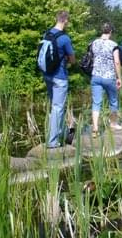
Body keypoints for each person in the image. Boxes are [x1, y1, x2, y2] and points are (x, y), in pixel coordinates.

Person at [43, 10, 75, 148]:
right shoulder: (65, 38)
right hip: (60, 77)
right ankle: (52, 142)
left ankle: (61, 135)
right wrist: (67, 60)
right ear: (65, 20)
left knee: (56, 107)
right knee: (58, 108)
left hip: (47, 75)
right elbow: (72, 59)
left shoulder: (47, 34)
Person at [91, 23, 122, 136]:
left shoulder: (94, 43)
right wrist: (119, 77)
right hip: (109, 76)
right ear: (110, 32)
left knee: (96, 102)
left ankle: (95, 128)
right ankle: (113, 124)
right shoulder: (113, 44)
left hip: (96, 76)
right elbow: (117, 62)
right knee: (113, 101)